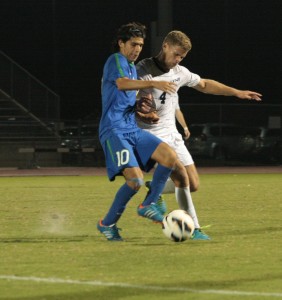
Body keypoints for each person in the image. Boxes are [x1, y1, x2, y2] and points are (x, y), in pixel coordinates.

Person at [136, 30, 262, 240]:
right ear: (165, 46)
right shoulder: (143, 69)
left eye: (182, 57)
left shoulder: (180, 72)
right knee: (181, 177)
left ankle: (154, 189)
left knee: (193, 183)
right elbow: (131, 95)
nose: (177, 60)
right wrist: (140, 111)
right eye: (176, 54)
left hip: (172, 134)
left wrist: (236, 92)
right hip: (149, 135)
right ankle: (194, 229)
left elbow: (204, 85)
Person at [97, 22, 186, 241]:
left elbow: (127, 99)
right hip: (114, 130)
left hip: (131, 128)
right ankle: (106, 224)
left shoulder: (130, 66)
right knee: (135, 181)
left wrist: (145, 114)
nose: (137, 49)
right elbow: (121, 84)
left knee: (169, 157)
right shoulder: (116, 60)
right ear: (121, 43)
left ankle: (147, 204)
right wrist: (155, 82)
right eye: (133, 44)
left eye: (141, 45)